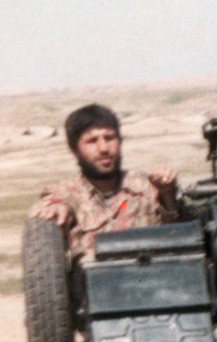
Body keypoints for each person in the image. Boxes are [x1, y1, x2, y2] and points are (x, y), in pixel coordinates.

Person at [29, 104, 179, 269]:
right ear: (75, 151)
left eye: (109, 138)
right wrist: (55, 209)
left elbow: (175, 231)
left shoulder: (145, 186)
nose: (103, 148)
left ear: (120, 142)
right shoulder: (66, 193)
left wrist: (167, 192)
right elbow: (51, 205)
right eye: (92, 141)